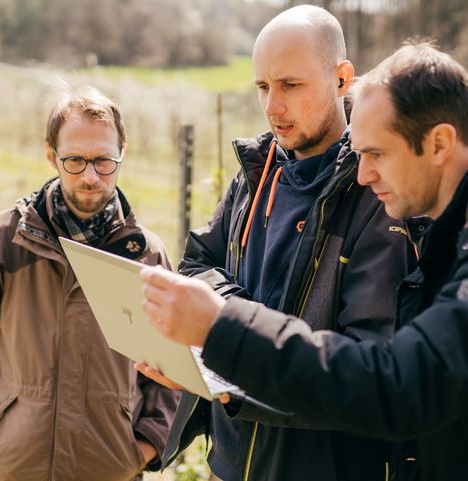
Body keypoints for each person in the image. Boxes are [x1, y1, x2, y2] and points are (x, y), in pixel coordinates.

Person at [140, 42, 468, 481]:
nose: (363, 175)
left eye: (376, 154)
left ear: (439, 143)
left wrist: (223, 327)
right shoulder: (459, 233)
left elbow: (402, 387)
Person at [138, 5, 415, 481]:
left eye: (290, 85)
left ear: (342, 79)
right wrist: (218, 346)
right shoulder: (256, 170)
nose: (272, 107)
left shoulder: (377, 193)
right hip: (229, 463)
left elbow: (362, 366)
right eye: (263, 87)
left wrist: (231, 350)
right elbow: (200, 262)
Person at [0, 84, 179, 481]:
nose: (91, 176)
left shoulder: (147, 256)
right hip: (11, 467)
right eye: (75, 161)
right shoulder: (0, 241)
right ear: (51, 155)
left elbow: (171, 373)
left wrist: (145, 446)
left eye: (104, 161)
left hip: (108, 471)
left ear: (123, 153)